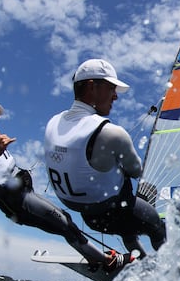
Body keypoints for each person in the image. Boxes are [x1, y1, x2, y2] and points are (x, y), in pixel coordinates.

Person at [0, 98, 125, 270]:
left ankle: (93, 259)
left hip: (22, 200)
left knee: (64, 226)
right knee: (64, 222)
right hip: (19, 202)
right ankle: (106, 260)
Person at [44, 59, 166, 261]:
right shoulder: (111, 133)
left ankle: (141, 262)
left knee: (127, 225)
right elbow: (137, 171)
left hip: (90, 218)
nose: (115, 96)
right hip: (114, 212)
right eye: (111, 88)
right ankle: (173, 270)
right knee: (157, 226)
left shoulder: (53, 123)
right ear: (92, 86)